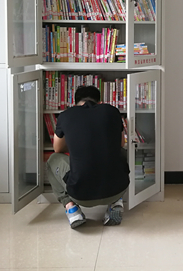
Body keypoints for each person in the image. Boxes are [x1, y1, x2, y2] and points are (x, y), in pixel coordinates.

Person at [46, 85, 130, 228]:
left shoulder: (66, 115)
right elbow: (121, 143)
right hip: (117, 189)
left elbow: (57, 149)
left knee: (52, 160)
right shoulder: (112, 111)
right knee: (122, 153)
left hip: (80, 195)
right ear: (100, 102)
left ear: (75, 103)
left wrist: (77, 145)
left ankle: (71, 208)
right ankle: (115, 203)